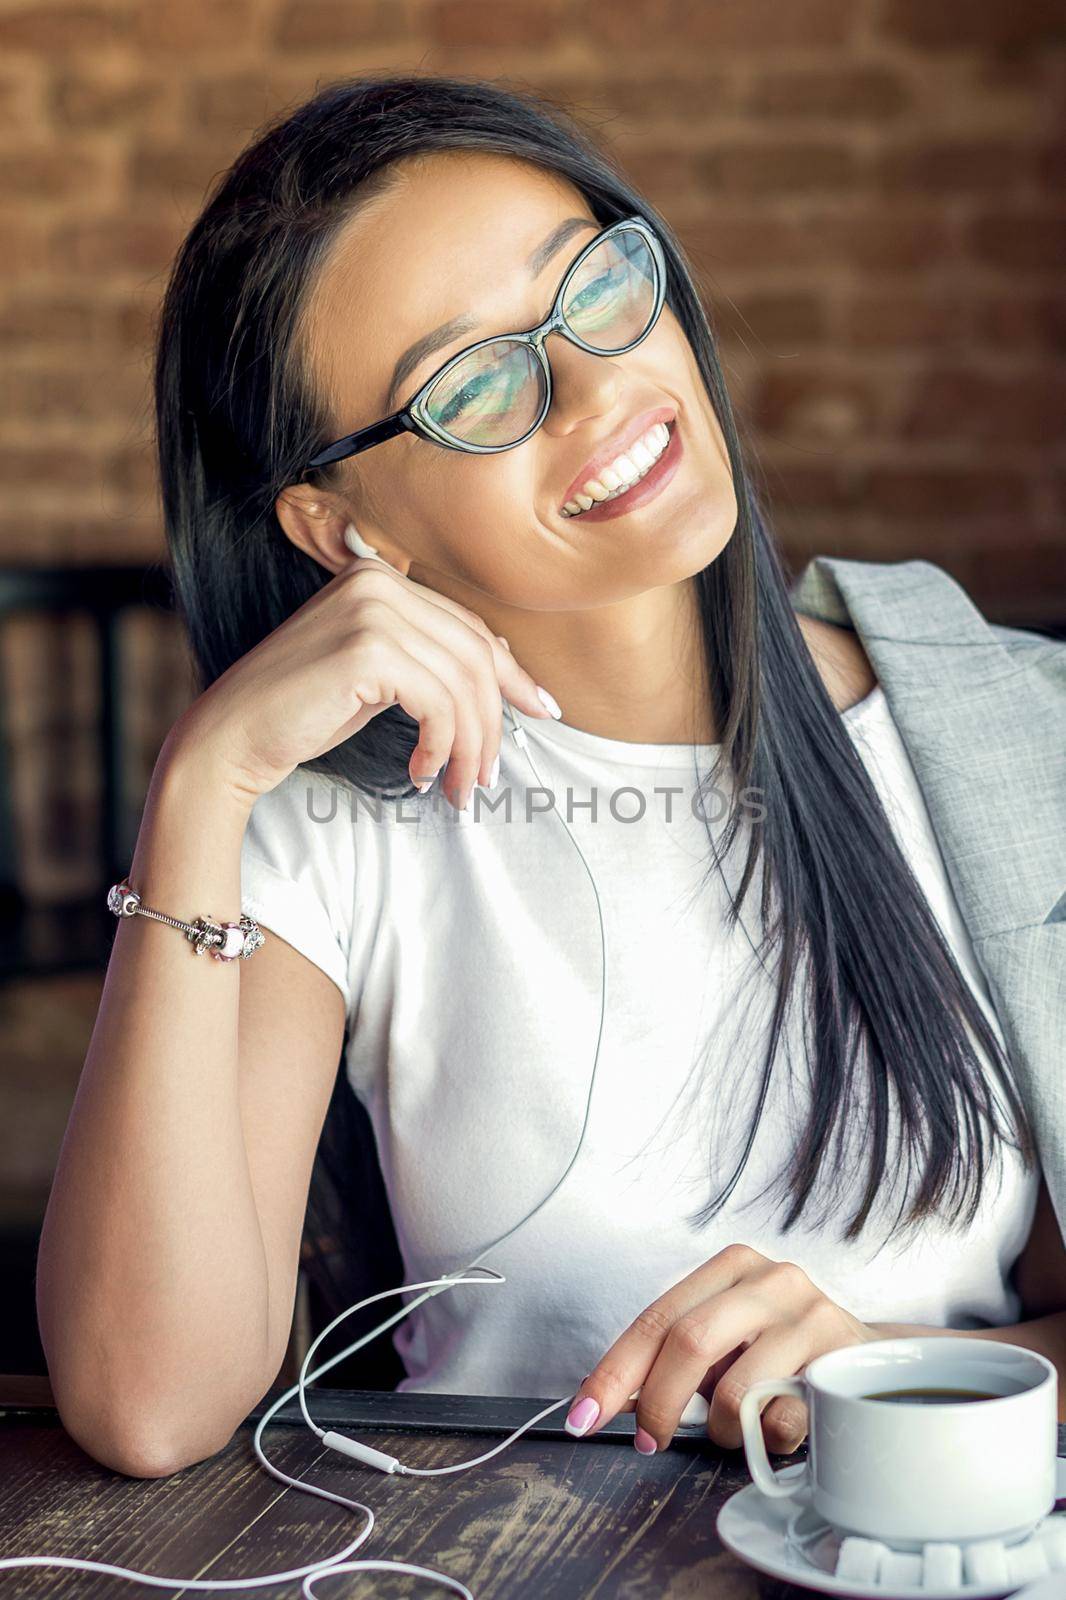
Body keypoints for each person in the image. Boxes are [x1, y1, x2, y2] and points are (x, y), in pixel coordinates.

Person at [35, 74, 1066, 1480]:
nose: (595, 386)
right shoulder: (330, 827)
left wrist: (895, 1381)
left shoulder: (1006, 739)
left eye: (593, 288)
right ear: (343, 531)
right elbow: (148, 1406)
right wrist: (204, 779)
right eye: (469, 384)